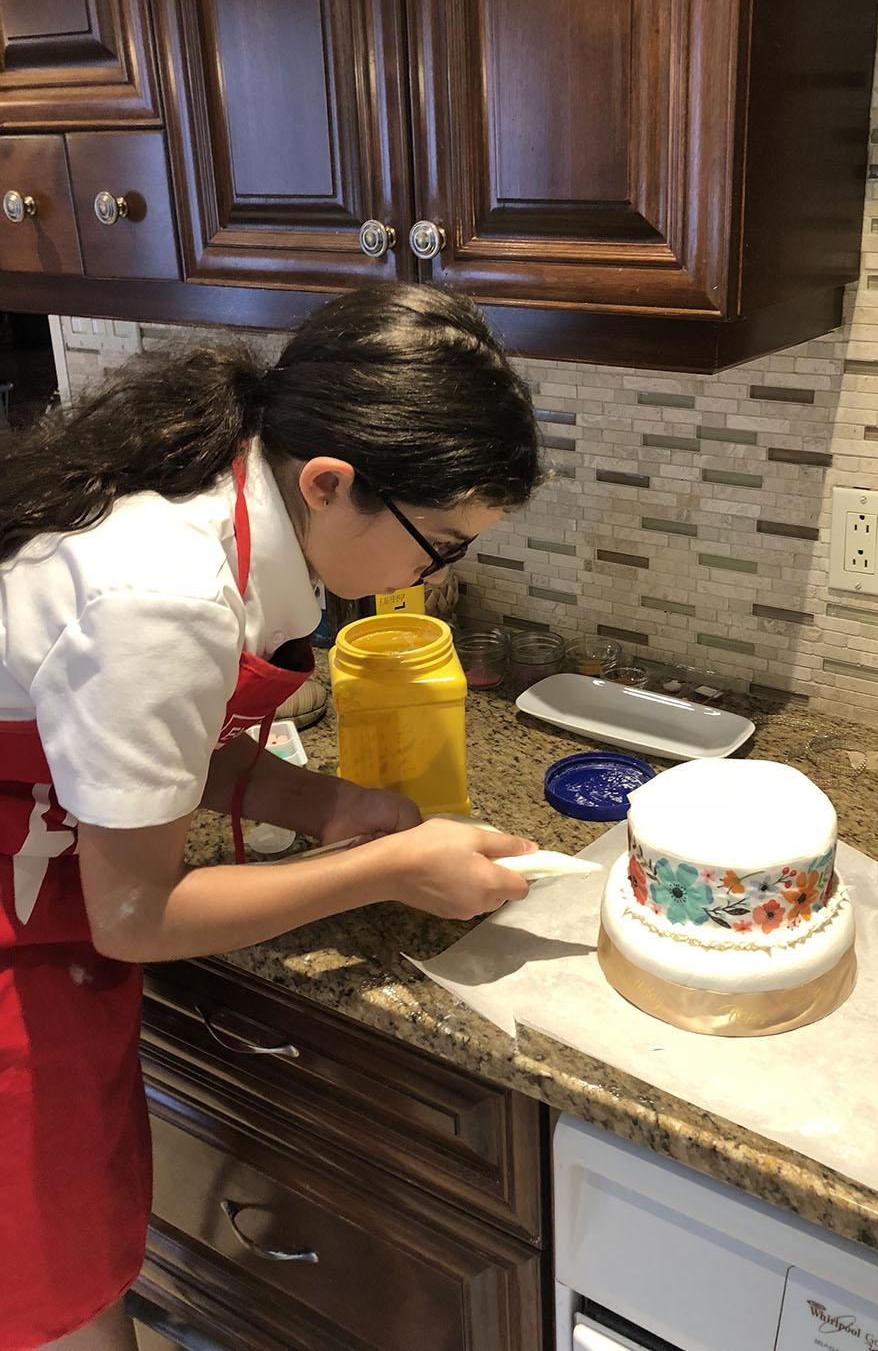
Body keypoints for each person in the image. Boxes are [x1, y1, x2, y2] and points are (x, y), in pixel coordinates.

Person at [0, 285, 543, 1350]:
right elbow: (136, 917)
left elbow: (148, 749)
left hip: (48, 869)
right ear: (329, 483)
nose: (438, 572)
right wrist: (390, 869)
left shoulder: (217, 496)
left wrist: (325, 802)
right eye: (442, 543)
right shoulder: (162, 594)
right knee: (54, 1290)